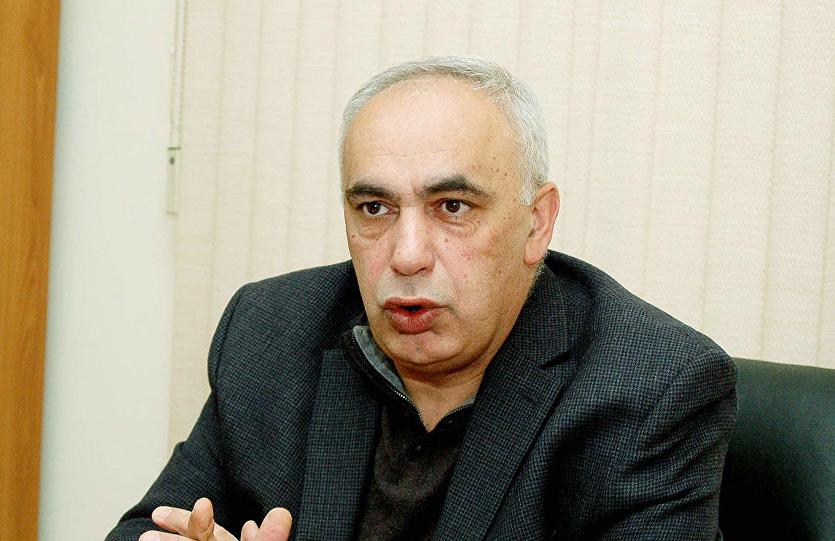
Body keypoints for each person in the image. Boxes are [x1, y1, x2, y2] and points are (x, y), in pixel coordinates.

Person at [108, 56, 736, 541]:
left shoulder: (653, 392)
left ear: (536, 223)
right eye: (374, 208)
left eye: (452, 207)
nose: (407, 255)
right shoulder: (271, 333)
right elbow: (147, 527)